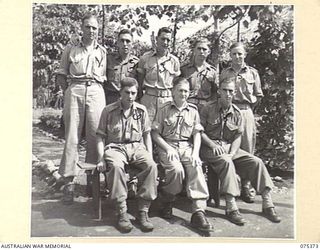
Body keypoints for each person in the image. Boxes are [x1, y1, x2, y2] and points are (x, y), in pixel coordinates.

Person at [200, 78, 281, 226]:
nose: (228, 94)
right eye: (224, 90)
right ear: (219, 91)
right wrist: (212, 145)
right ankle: (231, 206)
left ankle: (267, 203)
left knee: (256, 162)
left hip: (229, 148)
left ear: (235, 93)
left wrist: (232, 152)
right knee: (226, 161)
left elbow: (237, 136)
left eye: (231, 91)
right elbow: (199, 132)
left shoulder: (237, 113)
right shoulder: (208, 108)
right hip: (208, 148)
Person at [55, 13, 107, 204]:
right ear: (82, 28)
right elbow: (61, 74)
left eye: (94, 28)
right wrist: (69, 92)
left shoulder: (102, 51)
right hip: (75, 88)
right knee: (72, 136)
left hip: (95, 90)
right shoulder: (71, 48)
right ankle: (68, 182)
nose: (91, 31)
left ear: (97, 30)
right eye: (88, 27)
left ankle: (92, 182)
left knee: (96, 135)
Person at [96, 77, 158, 233]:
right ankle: (122, 211)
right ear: (120, 92)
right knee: (116, 167)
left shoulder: (141, 110)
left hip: (137, 147)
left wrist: (149, 155)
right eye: (127, 92)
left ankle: (143, 211)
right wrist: (101, 157)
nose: (130, 96)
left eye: (133, 93)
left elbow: (146, 135)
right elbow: (100, 136)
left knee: (151, 166)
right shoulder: (108, 111)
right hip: (115, 148)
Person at [151, 77, 213, 232]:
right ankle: (167, 199)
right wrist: (167, 148)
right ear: (173, 91)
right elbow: (155, 134)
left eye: (186, 91)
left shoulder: (193, 110)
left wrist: (195, 153)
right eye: (180, 90)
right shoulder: (164, 109)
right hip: (168, 146)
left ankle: (198, 212)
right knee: (176, 170)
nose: (183, 94)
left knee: (195, 166)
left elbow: (197, 134)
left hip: (186, 146)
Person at [220, 42, 263, 203]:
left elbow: (258, 96)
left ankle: (246, 185)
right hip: (229, 111)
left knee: (246, 148)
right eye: (234, 54)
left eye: (240, 53)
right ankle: (230, 185)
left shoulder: (252, 73)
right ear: (230, 55)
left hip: (245, 111)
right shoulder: (225, 73)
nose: (237, 57)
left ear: (244, 54)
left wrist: (246, 110)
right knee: (228, 146)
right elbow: (221, 92)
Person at [137, 27, 180, 122]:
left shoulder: (174, 61)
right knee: (145, 128)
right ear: (157, 39)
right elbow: (140, 80)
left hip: (167, 100)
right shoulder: (145, 58)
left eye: (168, 40)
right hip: (149, 99)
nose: (165, 42)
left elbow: (176, 83)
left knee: (165, 128)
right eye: (163, 39)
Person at [180, 37, 219, 112]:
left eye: (204, 49)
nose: (201, 51)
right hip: (188, 106)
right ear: (194, 50)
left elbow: (215, 92)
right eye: (199, 49)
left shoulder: (212, 72)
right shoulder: (184, 69)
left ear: (209, 52)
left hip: (205, 108)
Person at [105, 29, 139, 105]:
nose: (125, 44)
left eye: (128, 41)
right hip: (111, 100)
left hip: (129, 101)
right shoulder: (108, 59)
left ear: (132, 44)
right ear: (117, 43)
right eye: (122, 41)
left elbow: (138, 86)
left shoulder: (137, 63)